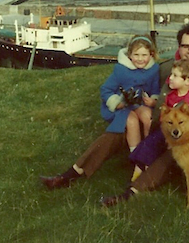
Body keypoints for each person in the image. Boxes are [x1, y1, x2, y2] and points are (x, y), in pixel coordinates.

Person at [100, 22, 189, 207]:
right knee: (120, 127)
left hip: (186, 139)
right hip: (156, 126)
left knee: (170, 154)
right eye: (186, 46)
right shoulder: (167, 69)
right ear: (179, 47)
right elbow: (143, 83)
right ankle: (72, 174)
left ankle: (131, 193)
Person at [40, 35, 159, 190]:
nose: (140, 59)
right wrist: (117, 103)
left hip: (143, 106)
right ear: (129, 55)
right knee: (123, 126)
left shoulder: (154, 69)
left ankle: (144, 159)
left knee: (145, 117)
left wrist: (153, 101)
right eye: (136, 55)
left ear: (151, 54)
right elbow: (107, 90)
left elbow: (156, 90)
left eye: (144, 55)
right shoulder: (122, 69)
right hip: (125, 107)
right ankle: (71, 174)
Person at [128, 58, 189, 179]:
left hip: (175, 133)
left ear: (188, 81)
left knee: (151, 145)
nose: (170, 78)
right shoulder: (171, 94)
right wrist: (154, 103)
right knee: (148, 144)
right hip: (163, 128)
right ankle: (137, 172)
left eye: (175, 75)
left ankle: (143, 175)